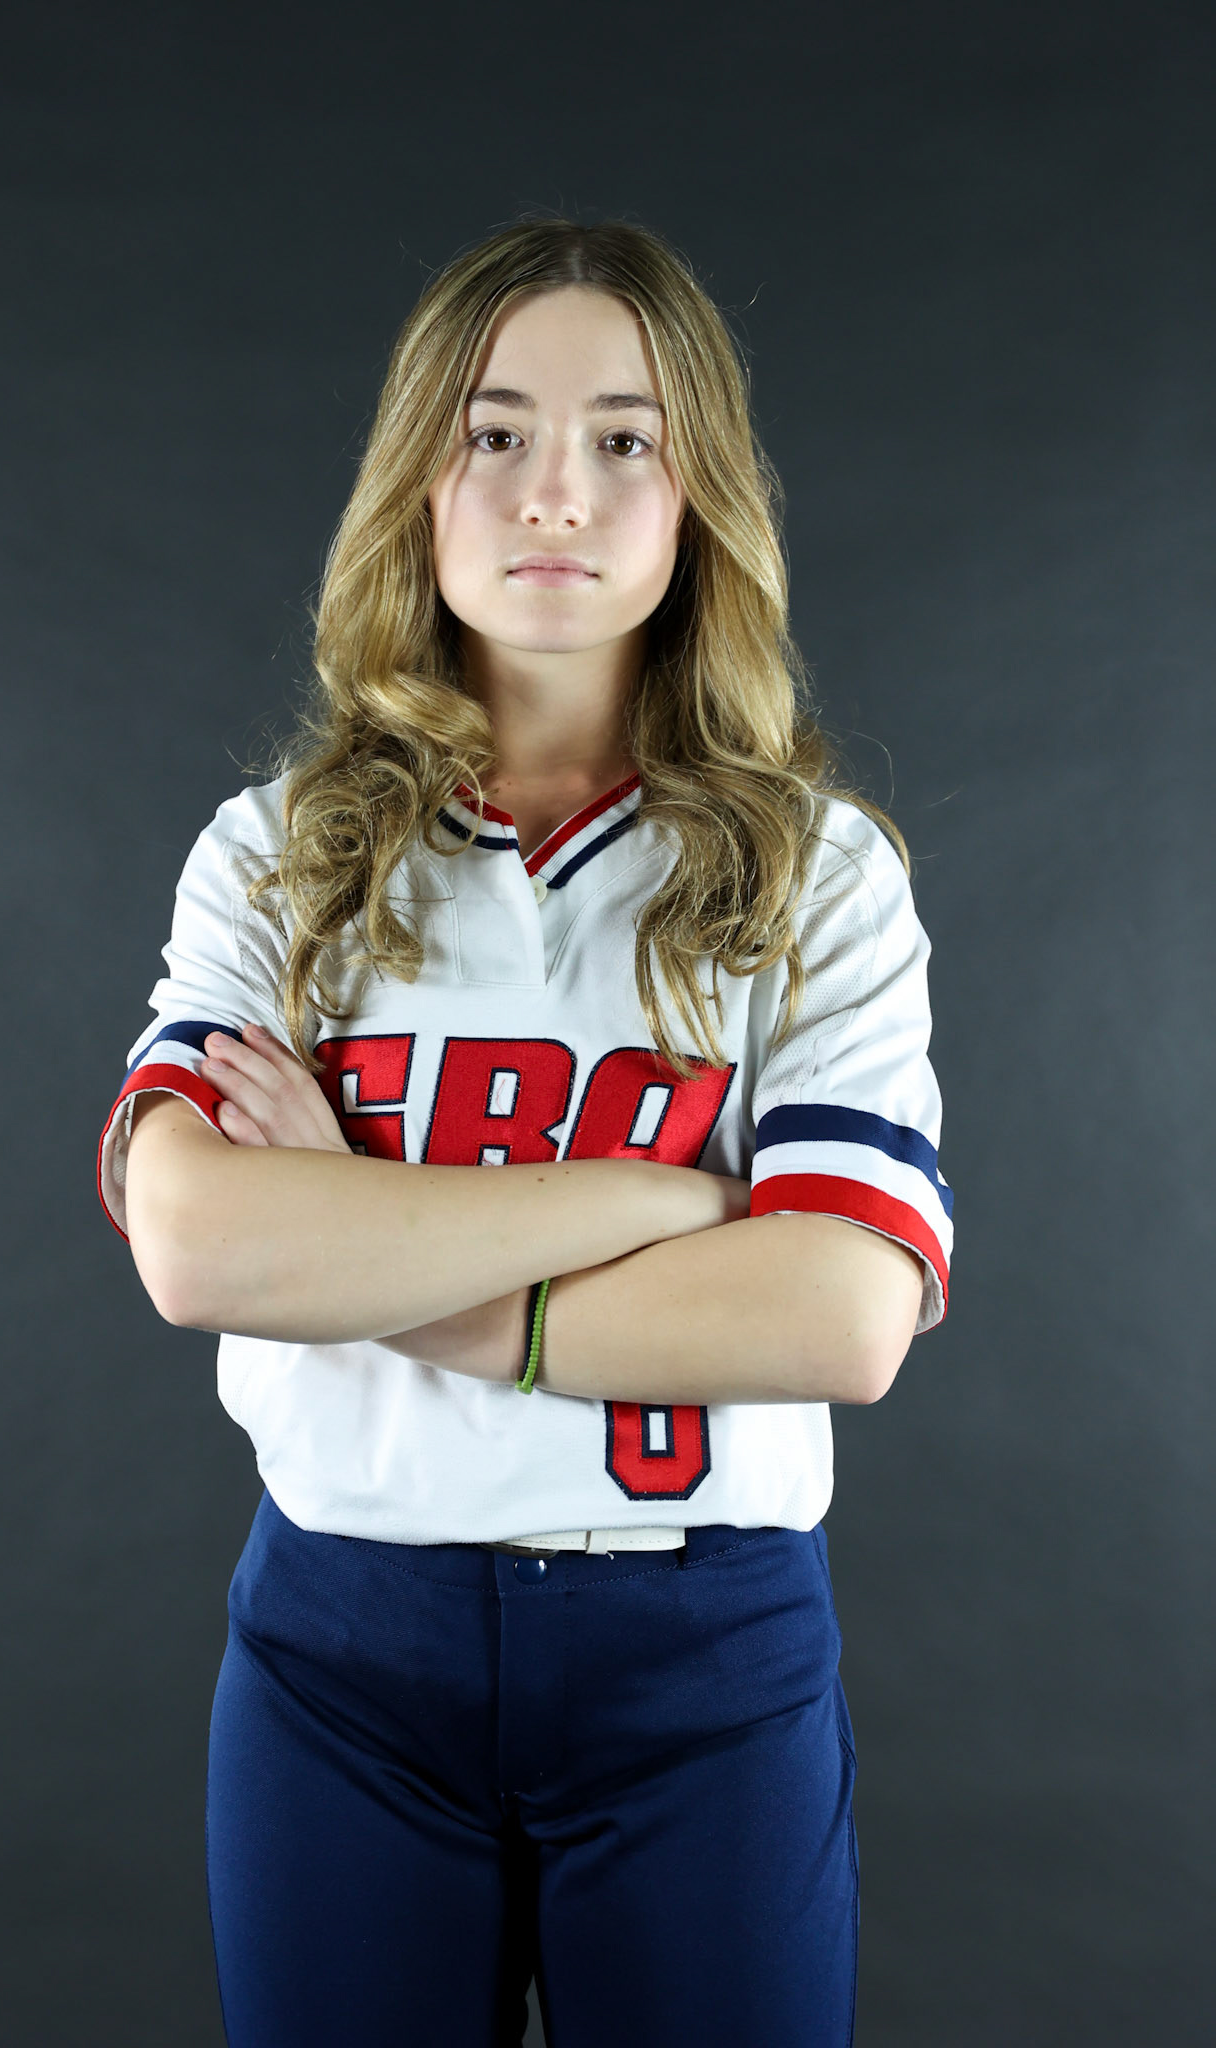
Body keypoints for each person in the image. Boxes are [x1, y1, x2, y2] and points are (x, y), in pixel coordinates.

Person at [97, 216, 953, 2048]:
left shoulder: (820, 874)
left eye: (622, 439)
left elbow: (839, 1318)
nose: (552, 490)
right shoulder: (280, 852)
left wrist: (374, 1237)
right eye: (494, 433)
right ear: (419, 476)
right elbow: (199, 1247)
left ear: (694, 495)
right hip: (344, 1653)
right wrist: (666, 1197)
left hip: (701, 1657)